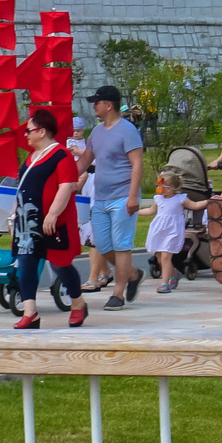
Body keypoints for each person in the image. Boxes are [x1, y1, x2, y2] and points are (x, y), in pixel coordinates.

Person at [13, 108, 88, 329]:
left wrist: (53, 214)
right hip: (28, 223)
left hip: (53, 222)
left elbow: (66, 186)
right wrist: (14, 214)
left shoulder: (61, 155)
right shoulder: (31, 157)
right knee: (26, 264)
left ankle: (77, 303)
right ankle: (30, 313)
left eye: (29, 130)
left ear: (42, 131)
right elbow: (22, 188)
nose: (25, 134)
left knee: (59, 264)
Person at [83, 86, 147, 310]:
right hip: (101, 197)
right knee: (102, 245)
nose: (94, 106)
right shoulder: (96, 132)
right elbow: (85, 161)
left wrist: (133, 196)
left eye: (97, 102)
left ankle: (118, 294)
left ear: (109, 105)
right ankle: (133, 273)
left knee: (121, 246)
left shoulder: (128, 130)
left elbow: (137, 164)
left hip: (123, 196)